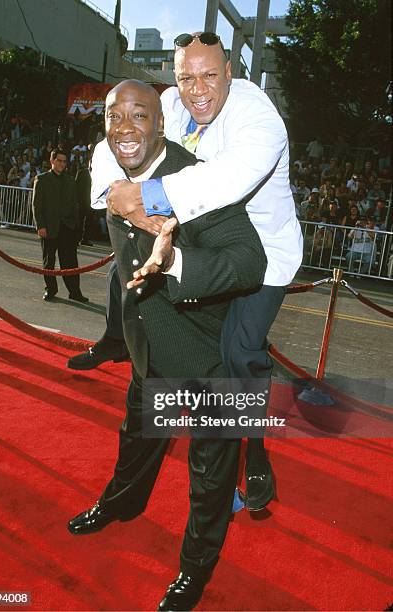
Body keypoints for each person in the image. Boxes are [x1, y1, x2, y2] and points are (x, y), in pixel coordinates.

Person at [68, 80, 267, 611]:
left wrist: (175, 262)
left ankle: (194, 572)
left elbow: (251, 261)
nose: (125, 128)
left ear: (161, 123)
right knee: (134, 441)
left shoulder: (195, 182)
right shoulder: (114, 169)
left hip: (208, 364)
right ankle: (120, 505)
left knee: (208, 481)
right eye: (114, 116)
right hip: (148, 352)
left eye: (139, 116)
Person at [89, 32, 302, 512]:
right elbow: (114, 136)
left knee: (236, 356)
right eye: (186, 77)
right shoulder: (173, 101)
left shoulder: (259, 117)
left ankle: (253, 453)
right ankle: (142, 468)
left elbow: (225, 180)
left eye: (210, 76)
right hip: (195, 247)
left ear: (231, 72)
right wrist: (113, 187)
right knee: (164, 349)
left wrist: (142, 198)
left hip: (259, 259)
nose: (197, 90)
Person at [32, 150, 88, 303]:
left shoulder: (70, 181)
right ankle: (50, 289)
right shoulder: (42, 179)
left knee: (70, 262)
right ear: (52, 161)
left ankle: (74, 292)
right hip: (49, 227)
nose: (62, 164)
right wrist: (40, 226)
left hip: (67, 227)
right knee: (48, 262)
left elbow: (74, 204)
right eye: (59, 161)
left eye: (64, 161)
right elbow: (37, 205)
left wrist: (75, 225)